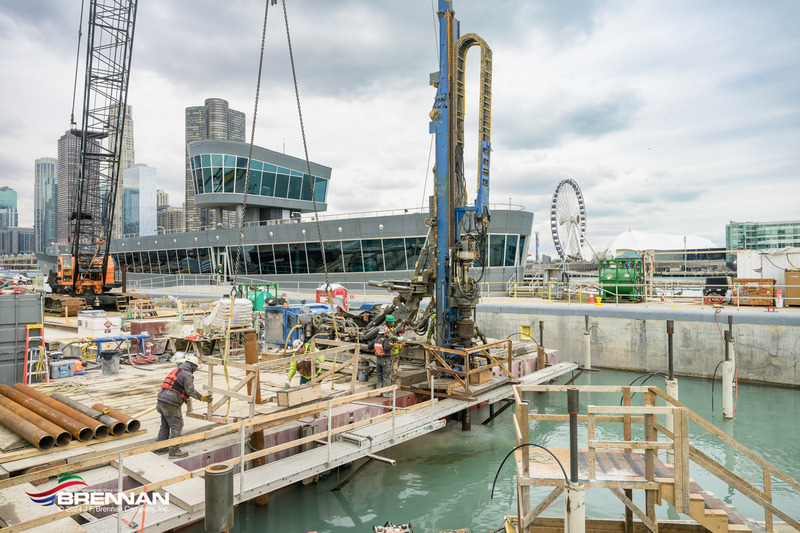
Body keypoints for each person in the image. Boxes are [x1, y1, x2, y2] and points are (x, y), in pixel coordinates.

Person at [155, 354, 210, 458]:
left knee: (165, 425)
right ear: (193, 366)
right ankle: (174, 451)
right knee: (177, 425)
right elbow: (190, 390)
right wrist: (201, 398)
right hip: (171, 403)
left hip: (161, 400)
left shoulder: (176, 370)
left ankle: (160, 448)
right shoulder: (187, 374)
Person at [368, 329, 395, 396]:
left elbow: (369, 347)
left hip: (378, 360)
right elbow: (386, 348)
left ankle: (379, 392)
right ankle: (385, 393)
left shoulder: (376, 339)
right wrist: (392, 345)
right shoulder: (385, 340)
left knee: (379, 376)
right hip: (385, 360)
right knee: (386, 376)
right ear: (385, 333)